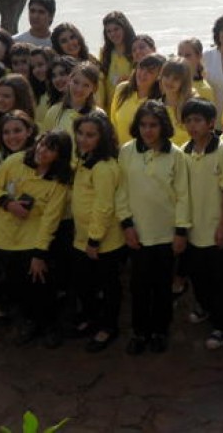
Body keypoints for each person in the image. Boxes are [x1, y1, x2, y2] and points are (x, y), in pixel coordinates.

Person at [0, 130, 73, 348]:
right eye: (42, 144)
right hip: (4, 238)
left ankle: (50, 326)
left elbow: (50, 220)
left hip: (32, 242)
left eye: (51, 149)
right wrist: (8, 203)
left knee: (42, 285)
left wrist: (39, 254)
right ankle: (29, 322)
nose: (42, 151)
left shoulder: (59, 183)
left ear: (59, 157)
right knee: (17, 285)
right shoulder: (15, 161)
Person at [117, 100, 191, 355]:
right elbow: (121, 192)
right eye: (143, 125)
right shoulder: (127, 152)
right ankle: (139, 332)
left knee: (162, 287)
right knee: (139, 286)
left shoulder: (176, 154)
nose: (148, 130)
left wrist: (181, 231)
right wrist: (127, 225)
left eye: (154, 125)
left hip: (166, 235)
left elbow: (183, 195)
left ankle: (160, 331)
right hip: (137, 233)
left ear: (163, 126)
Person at [181, 98, 223, 350]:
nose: (193, 126)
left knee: (221, 279)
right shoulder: (183, 151)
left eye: (198, 120)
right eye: (188, 121)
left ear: (210, 123)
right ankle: (205, 307)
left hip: (217, 229)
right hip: (193, 228)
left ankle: (222, 324)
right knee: (198, 275)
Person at [69, 113, 125, 353]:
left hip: (104, 241)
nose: (83, 139)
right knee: (85, 284)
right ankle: (92, 319)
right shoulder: (84, 159)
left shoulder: (104, 167)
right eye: (80, 134)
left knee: (109, 286)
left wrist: (94, 239)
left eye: (90, 135)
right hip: (82, 239)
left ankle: (108, 327)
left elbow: (104, 206)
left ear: (102, 138)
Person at [111, 52, 164, 139]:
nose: (143, 73)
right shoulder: (122, 88)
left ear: (159, 77)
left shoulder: (160, 102)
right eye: (141, 68)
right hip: (121, 150)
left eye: (150, 71)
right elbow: (113, 122)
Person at [97, 11, 136, 109]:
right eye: (109, 31)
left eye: (116, 29)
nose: (113, 34)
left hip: (129, 105)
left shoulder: (135, 51)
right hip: (109, 107)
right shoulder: (105, 52)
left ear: (125, 28)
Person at [158, 58, 194, 147]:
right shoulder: (156, 106)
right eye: (166, 76)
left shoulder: (192, 107)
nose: (170, 81)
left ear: (184, 82)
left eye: (176, 78)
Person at [177, 37, 215, 105]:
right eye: (179, 55)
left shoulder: (205, 90)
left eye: (187, 55)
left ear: (199, 56)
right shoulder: (170, 82)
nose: (182, 59)